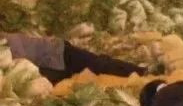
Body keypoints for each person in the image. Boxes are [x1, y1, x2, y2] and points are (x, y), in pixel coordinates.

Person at [2, 31, 147, 83]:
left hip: (60, 52)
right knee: (79, 85)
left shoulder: (5, 41)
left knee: (99, 65)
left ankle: (143, 74)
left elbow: (20, 61)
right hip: (47, 68)